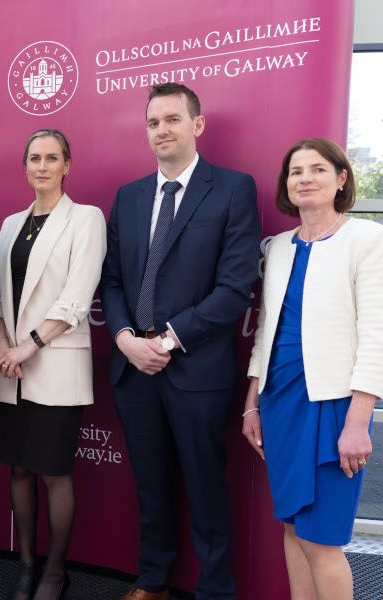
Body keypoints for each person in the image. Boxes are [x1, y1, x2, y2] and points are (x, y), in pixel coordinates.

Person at [100, 83, 260, 600]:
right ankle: (153, 582)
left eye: (172, 119)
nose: (161, 130)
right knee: (151, 486)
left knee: (206, 490)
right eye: (153, 122)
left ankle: (215, 591)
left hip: (195, 370)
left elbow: (236, 288)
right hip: (134, 368)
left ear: (198, 124)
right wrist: (125, 338)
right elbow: (115, 281)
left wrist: (166, 341)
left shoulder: (233, 189)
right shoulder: (128, 197)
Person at [242, 138, 383, 600]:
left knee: (322, 540)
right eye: (295, 171)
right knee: (293, 528)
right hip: (280, 402)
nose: (305, 178)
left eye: (318, 169)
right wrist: (251, 405)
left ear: (341, 178)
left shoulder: (367, 239)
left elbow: (376, 336)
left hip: (334, 406)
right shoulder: (278, 247)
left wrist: (359, 422)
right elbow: (265, 332)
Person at [0, 129, 106, 600]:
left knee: (54, 472)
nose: (42, 166)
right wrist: (1, 345)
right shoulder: (12, 224)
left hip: (53, 363)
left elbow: (77, 299)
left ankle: (56, 571)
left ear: (67, 165)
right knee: (18, 470)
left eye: (51, 158)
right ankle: (27, 566)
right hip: (10, 366)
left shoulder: (86, 219)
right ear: (25, 166)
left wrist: (26, 346)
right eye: (34, 158)